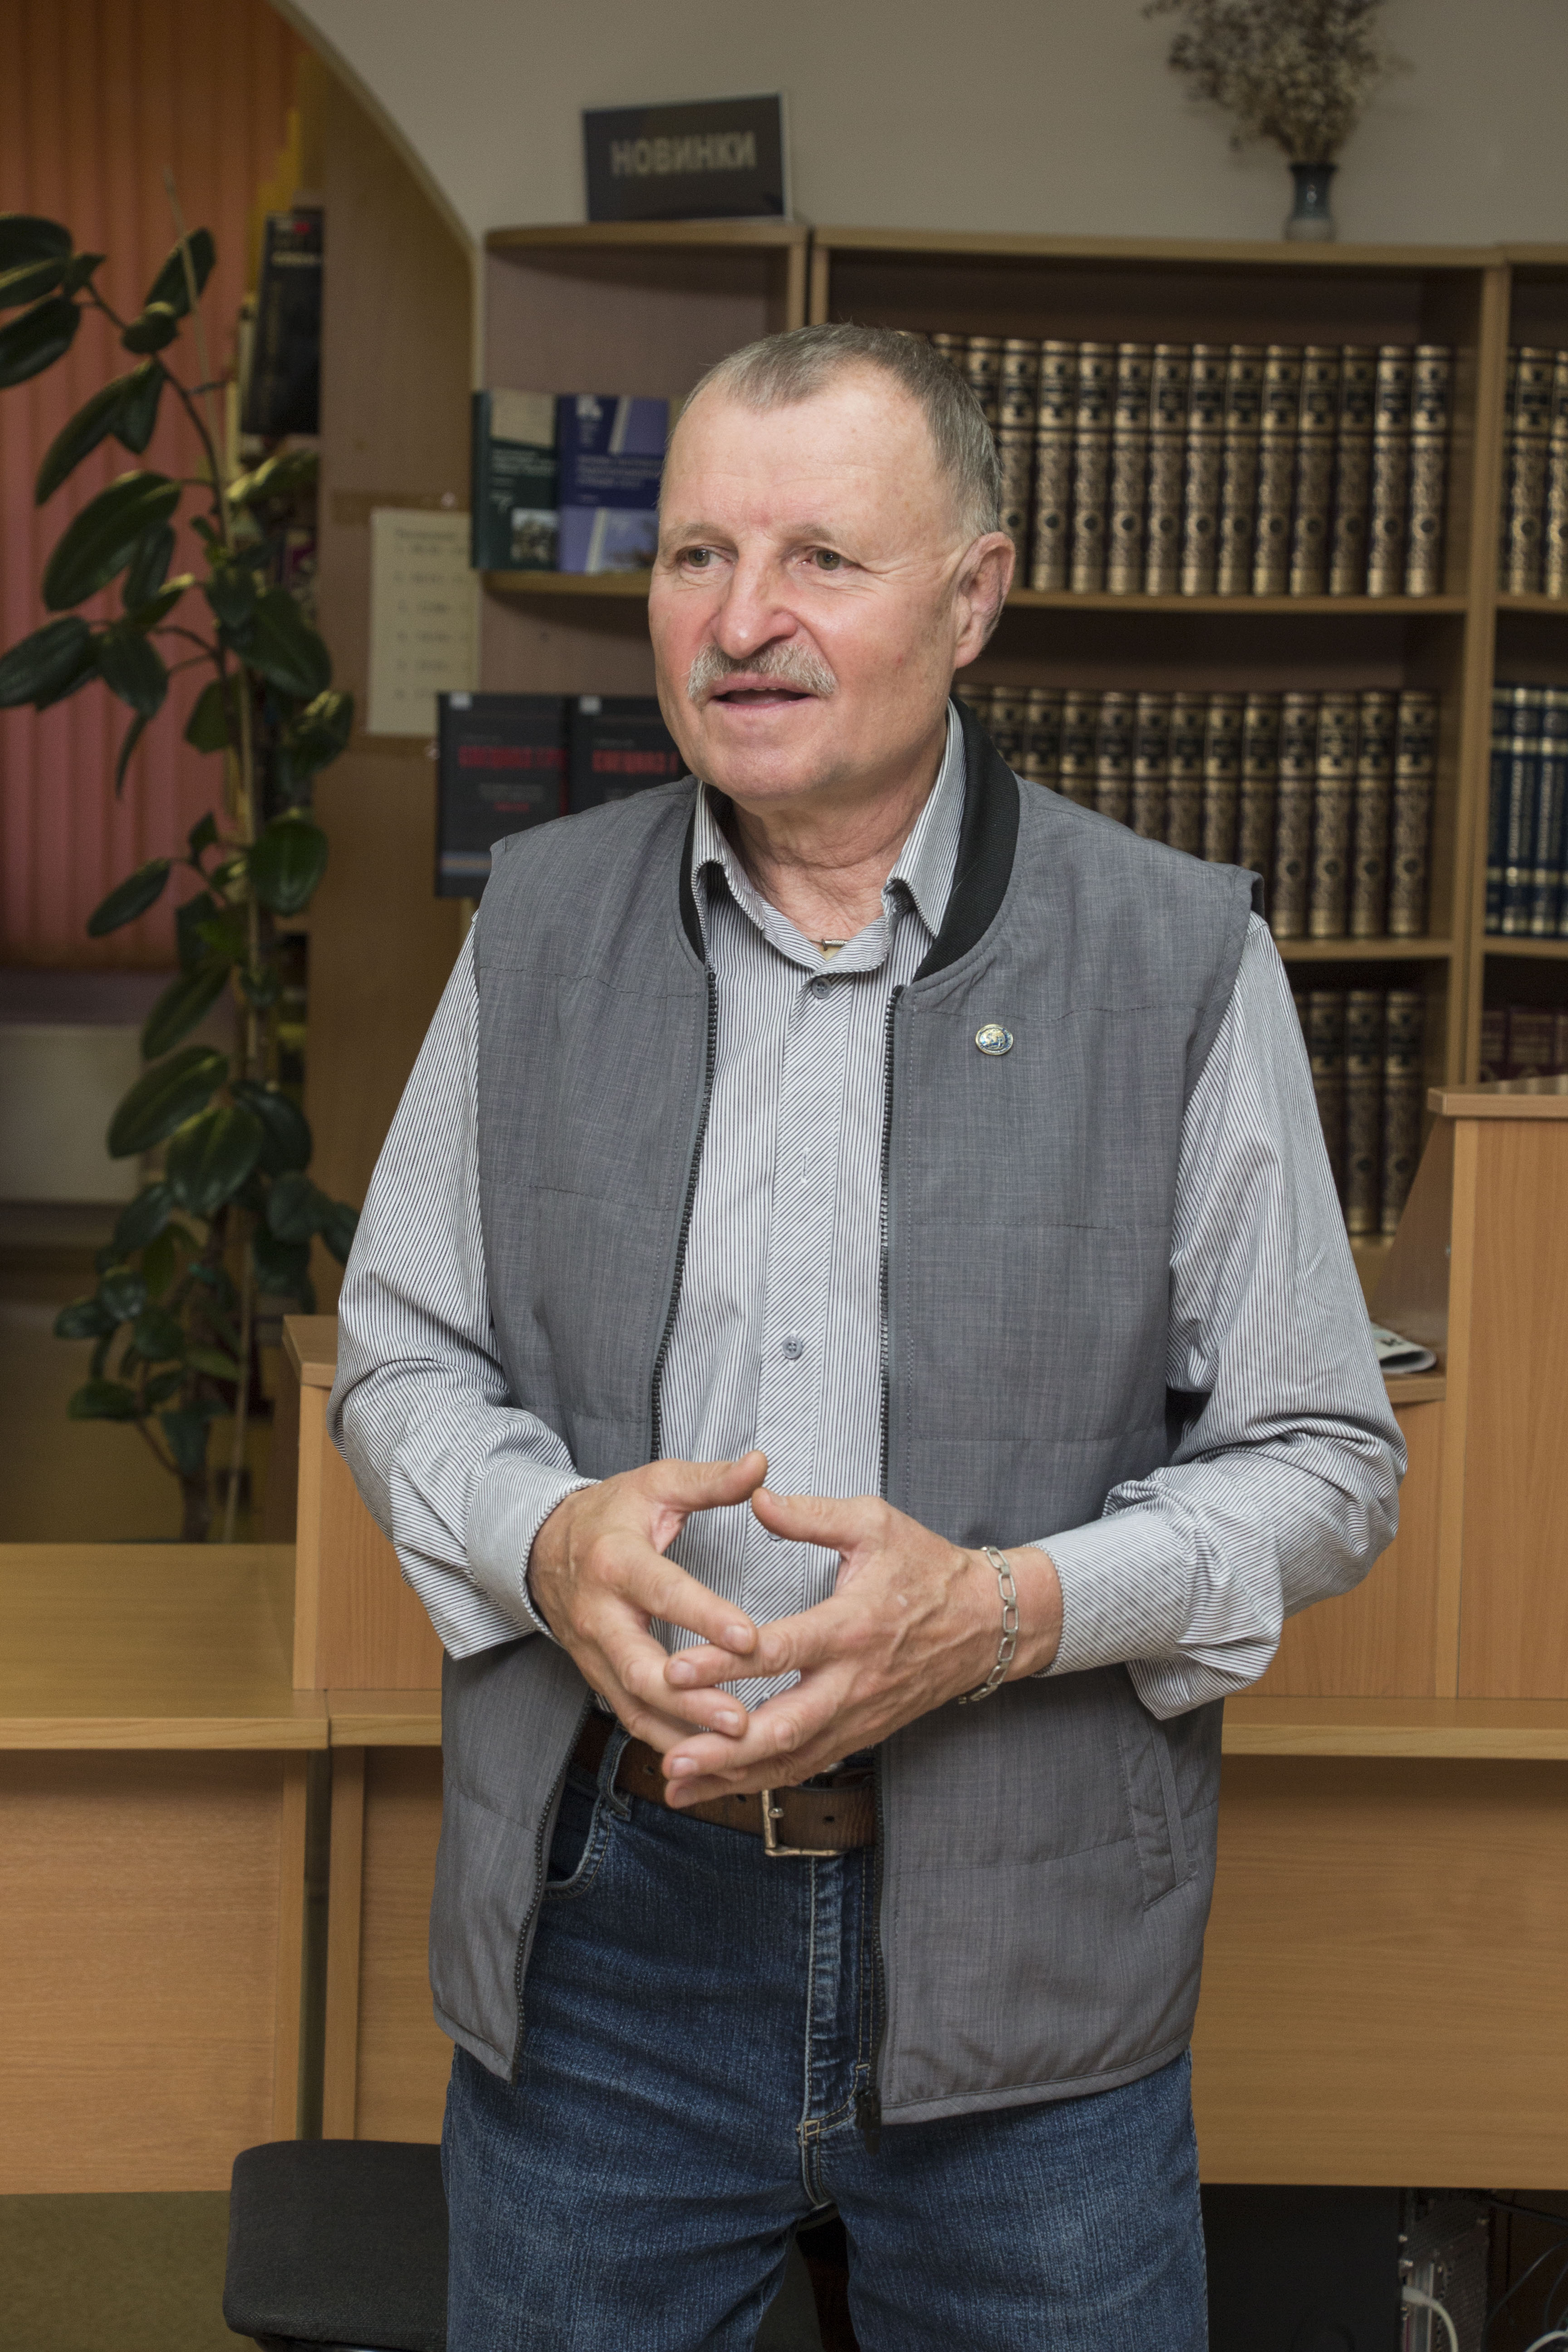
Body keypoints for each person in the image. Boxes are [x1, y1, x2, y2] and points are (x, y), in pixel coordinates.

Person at [331, 323, 1403, 2351]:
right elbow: (399, 1356)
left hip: (1033, 1959)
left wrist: (998, 1614)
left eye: (821, 558)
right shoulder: (534, 925)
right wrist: (546, 1538)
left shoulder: (1180, 953)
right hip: (609, 1939)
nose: (744, 621)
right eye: (696, 557)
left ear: (972, 597)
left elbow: (1326, 1460)